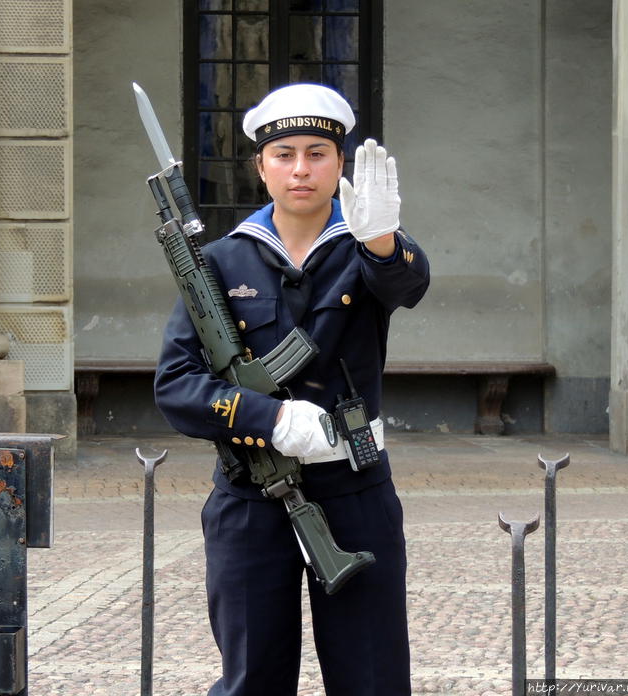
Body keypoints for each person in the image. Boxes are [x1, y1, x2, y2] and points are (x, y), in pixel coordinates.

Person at [154, 83, 430, 696]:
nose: (300, 169)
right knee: (253, 677)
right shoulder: (221, 263)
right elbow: (175, 385)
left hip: (353, 487)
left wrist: (383, 241)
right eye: (283, 154)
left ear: (340, 163)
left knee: (372, 677)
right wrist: (268, 420)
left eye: (317, 153)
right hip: (252, 493)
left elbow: (408, 285)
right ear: (260, 166)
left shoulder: (367, 248)